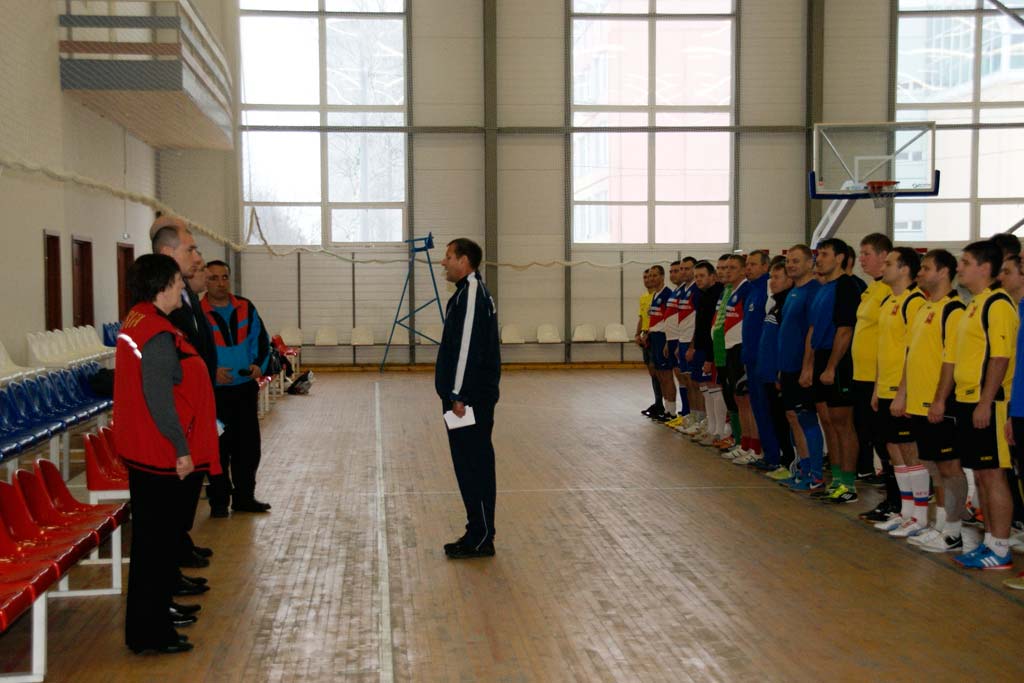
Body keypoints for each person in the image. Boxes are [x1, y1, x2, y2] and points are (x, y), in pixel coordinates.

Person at [114, 254, 220, 654]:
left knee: (150, 546)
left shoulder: (136, 320)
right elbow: (159, 398)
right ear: (162, 286)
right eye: (177, 283)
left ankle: (151, 622)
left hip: (141, 447)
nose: (181, 289)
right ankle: (151, 633)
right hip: (156, 452)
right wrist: (181, 447)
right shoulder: (156, 333)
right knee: (154, 549)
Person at [933, 240, 1018, 570]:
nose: (960, 268)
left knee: (993, 475)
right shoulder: (975, 304)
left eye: (966, 262)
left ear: (985, 268)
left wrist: (985, 401)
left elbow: (1000, 357)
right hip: (967, 401)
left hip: (989, 402)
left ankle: (1001, 548)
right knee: (981, 475)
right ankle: (989, 543)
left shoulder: (998, 304)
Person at [150, 215, 217, 580]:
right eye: (190, 249)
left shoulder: (186, 294)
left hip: (197, 406)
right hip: (181, 410)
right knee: (177, 490)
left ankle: (180, 542)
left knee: (189, 486)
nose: (197, 257)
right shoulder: (158, 310)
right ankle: (172, 561)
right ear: (167, 253)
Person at [896, 250, 966, 552]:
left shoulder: (954, 310)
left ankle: (954, 532)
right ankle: (940, 525)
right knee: (934, 467)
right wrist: (904, 394)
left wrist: (940, 400)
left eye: (926, 268)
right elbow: (911, 355)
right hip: (918, 403)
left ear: (944, 272)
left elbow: (952, 361)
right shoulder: (925, 308)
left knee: (950, 468)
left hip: (940, 404)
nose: (920, 273)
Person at [436, 238, 501, 559]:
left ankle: (481, 535)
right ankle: (476, 531)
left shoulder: (473, 292)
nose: (443, 262)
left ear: (464, 261)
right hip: (462, 398)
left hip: (468, 400)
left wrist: (458, 394)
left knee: (474, 464)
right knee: (466, 464)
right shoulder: (465, 293)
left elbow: (467, 348)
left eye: (448, 256)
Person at [201, 259, 272, 516]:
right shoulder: (197, 314)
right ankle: (219, 502)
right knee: (217, 448)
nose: (220, 283)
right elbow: (191, 351)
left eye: (224, 277)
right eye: (213, 278)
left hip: (244, 391)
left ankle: (244, 498)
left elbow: (262, 340)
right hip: (214, 394)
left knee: (248, 447)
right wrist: (211, 372)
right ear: (205, 281)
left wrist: (258, 366)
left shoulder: (245, 307)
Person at [870, 248, 927, 525]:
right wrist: (877, 388)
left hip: (903, 391)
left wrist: (903, 392)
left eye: (889, 263)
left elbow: (912, 351)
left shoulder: (915, 302)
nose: (883, 267)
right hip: (885, 389)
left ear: (904, 269)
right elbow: (884, 349)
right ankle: (905, 511)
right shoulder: (889, 301)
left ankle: (920, 515)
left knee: (909, 451)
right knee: (893, 451)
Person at [801, 238, 860, 498]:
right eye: (818, 254)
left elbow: (845, 330)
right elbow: (813, 329)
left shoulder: (846, 286)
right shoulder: (824, 288)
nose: (819, 259)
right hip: (822, 358)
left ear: (840, 258)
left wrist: (832, 367)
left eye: (825, 254)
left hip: (839, 360)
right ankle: (836, 480)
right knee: (828, 421)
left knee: (842, 423)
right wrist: (809, 366)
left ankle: (849, 484)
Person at [777, 245, 824, 490]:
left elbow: (813, 332)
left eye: (796, 261)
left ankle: (815, 474)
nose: (791, 265)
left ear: (809, 264)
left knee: (805, 418)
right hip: (787, 367)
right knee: (792, 417)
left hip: (801, 368)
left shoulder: (813, 291)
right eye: (788, 261)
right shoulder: (793, 292)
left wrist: (807, 367)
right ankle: (803, 469)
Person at [759, 259, 797, 479]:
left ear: (789, 280)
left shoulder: (786, 305)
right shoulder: (775, 304)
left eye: (777, 277)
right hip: (768, 372)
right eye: (771, 277)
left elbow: (787, 343)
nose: (772, 282)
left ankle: (792, 462)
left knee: (786, 420)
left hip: (779, 373)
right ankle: (784, 459)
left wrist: (779, 371)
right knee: (776, 418)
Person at [734, 250, 771, 466]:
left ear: (765, 266)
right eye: (747, 264)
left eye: (753, 264)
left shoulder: (767, 290)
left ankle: (770, 454)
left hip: (761, 360)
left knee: (764, 408)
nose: (748, 268)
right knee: (756, 406)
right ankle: (759, 451)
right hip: (749, 358)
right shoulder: (752, 290)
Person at [687, 261, 724, 445]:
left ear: (712, 276)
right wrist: (694, 346)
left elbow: (714, 328)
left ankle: (719, 431)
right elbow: (700, 325)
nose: (698, 280)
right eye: (696, 277)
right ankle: (711, 427)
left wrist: (710, 357)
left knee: (715, 389)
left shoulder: (718, 294)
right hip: (701, 348)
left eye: (702, 276)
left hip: (712, 350)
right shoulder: (702, 295)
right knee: (705, 389)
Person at [646, 265, 679, 422]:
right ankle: (666, 409)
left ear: (662, 276)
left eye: (655, 275)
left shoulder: (667, 294)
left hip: (662, 337)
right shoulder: (655, 295)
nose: (651, 278)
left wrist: (667, 340)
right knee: (659, 374)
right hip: (654, 337)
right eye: (650, 275)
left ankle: (672, 412)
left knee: (666, 375)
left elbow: (670, 320)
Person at [636, 269, 663, 418]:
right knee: (652, 371)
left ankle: (664, 405)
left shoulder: (658, 296)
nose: (648, 280)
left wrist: (649, 334)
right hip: (645, 337)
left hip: (654, 336)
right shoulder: (643, 298)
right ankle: (658, 402)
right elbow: (642, 317)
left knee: (659, 371)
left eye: (651, 276)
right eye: (645, 277)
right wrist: (638, 334)